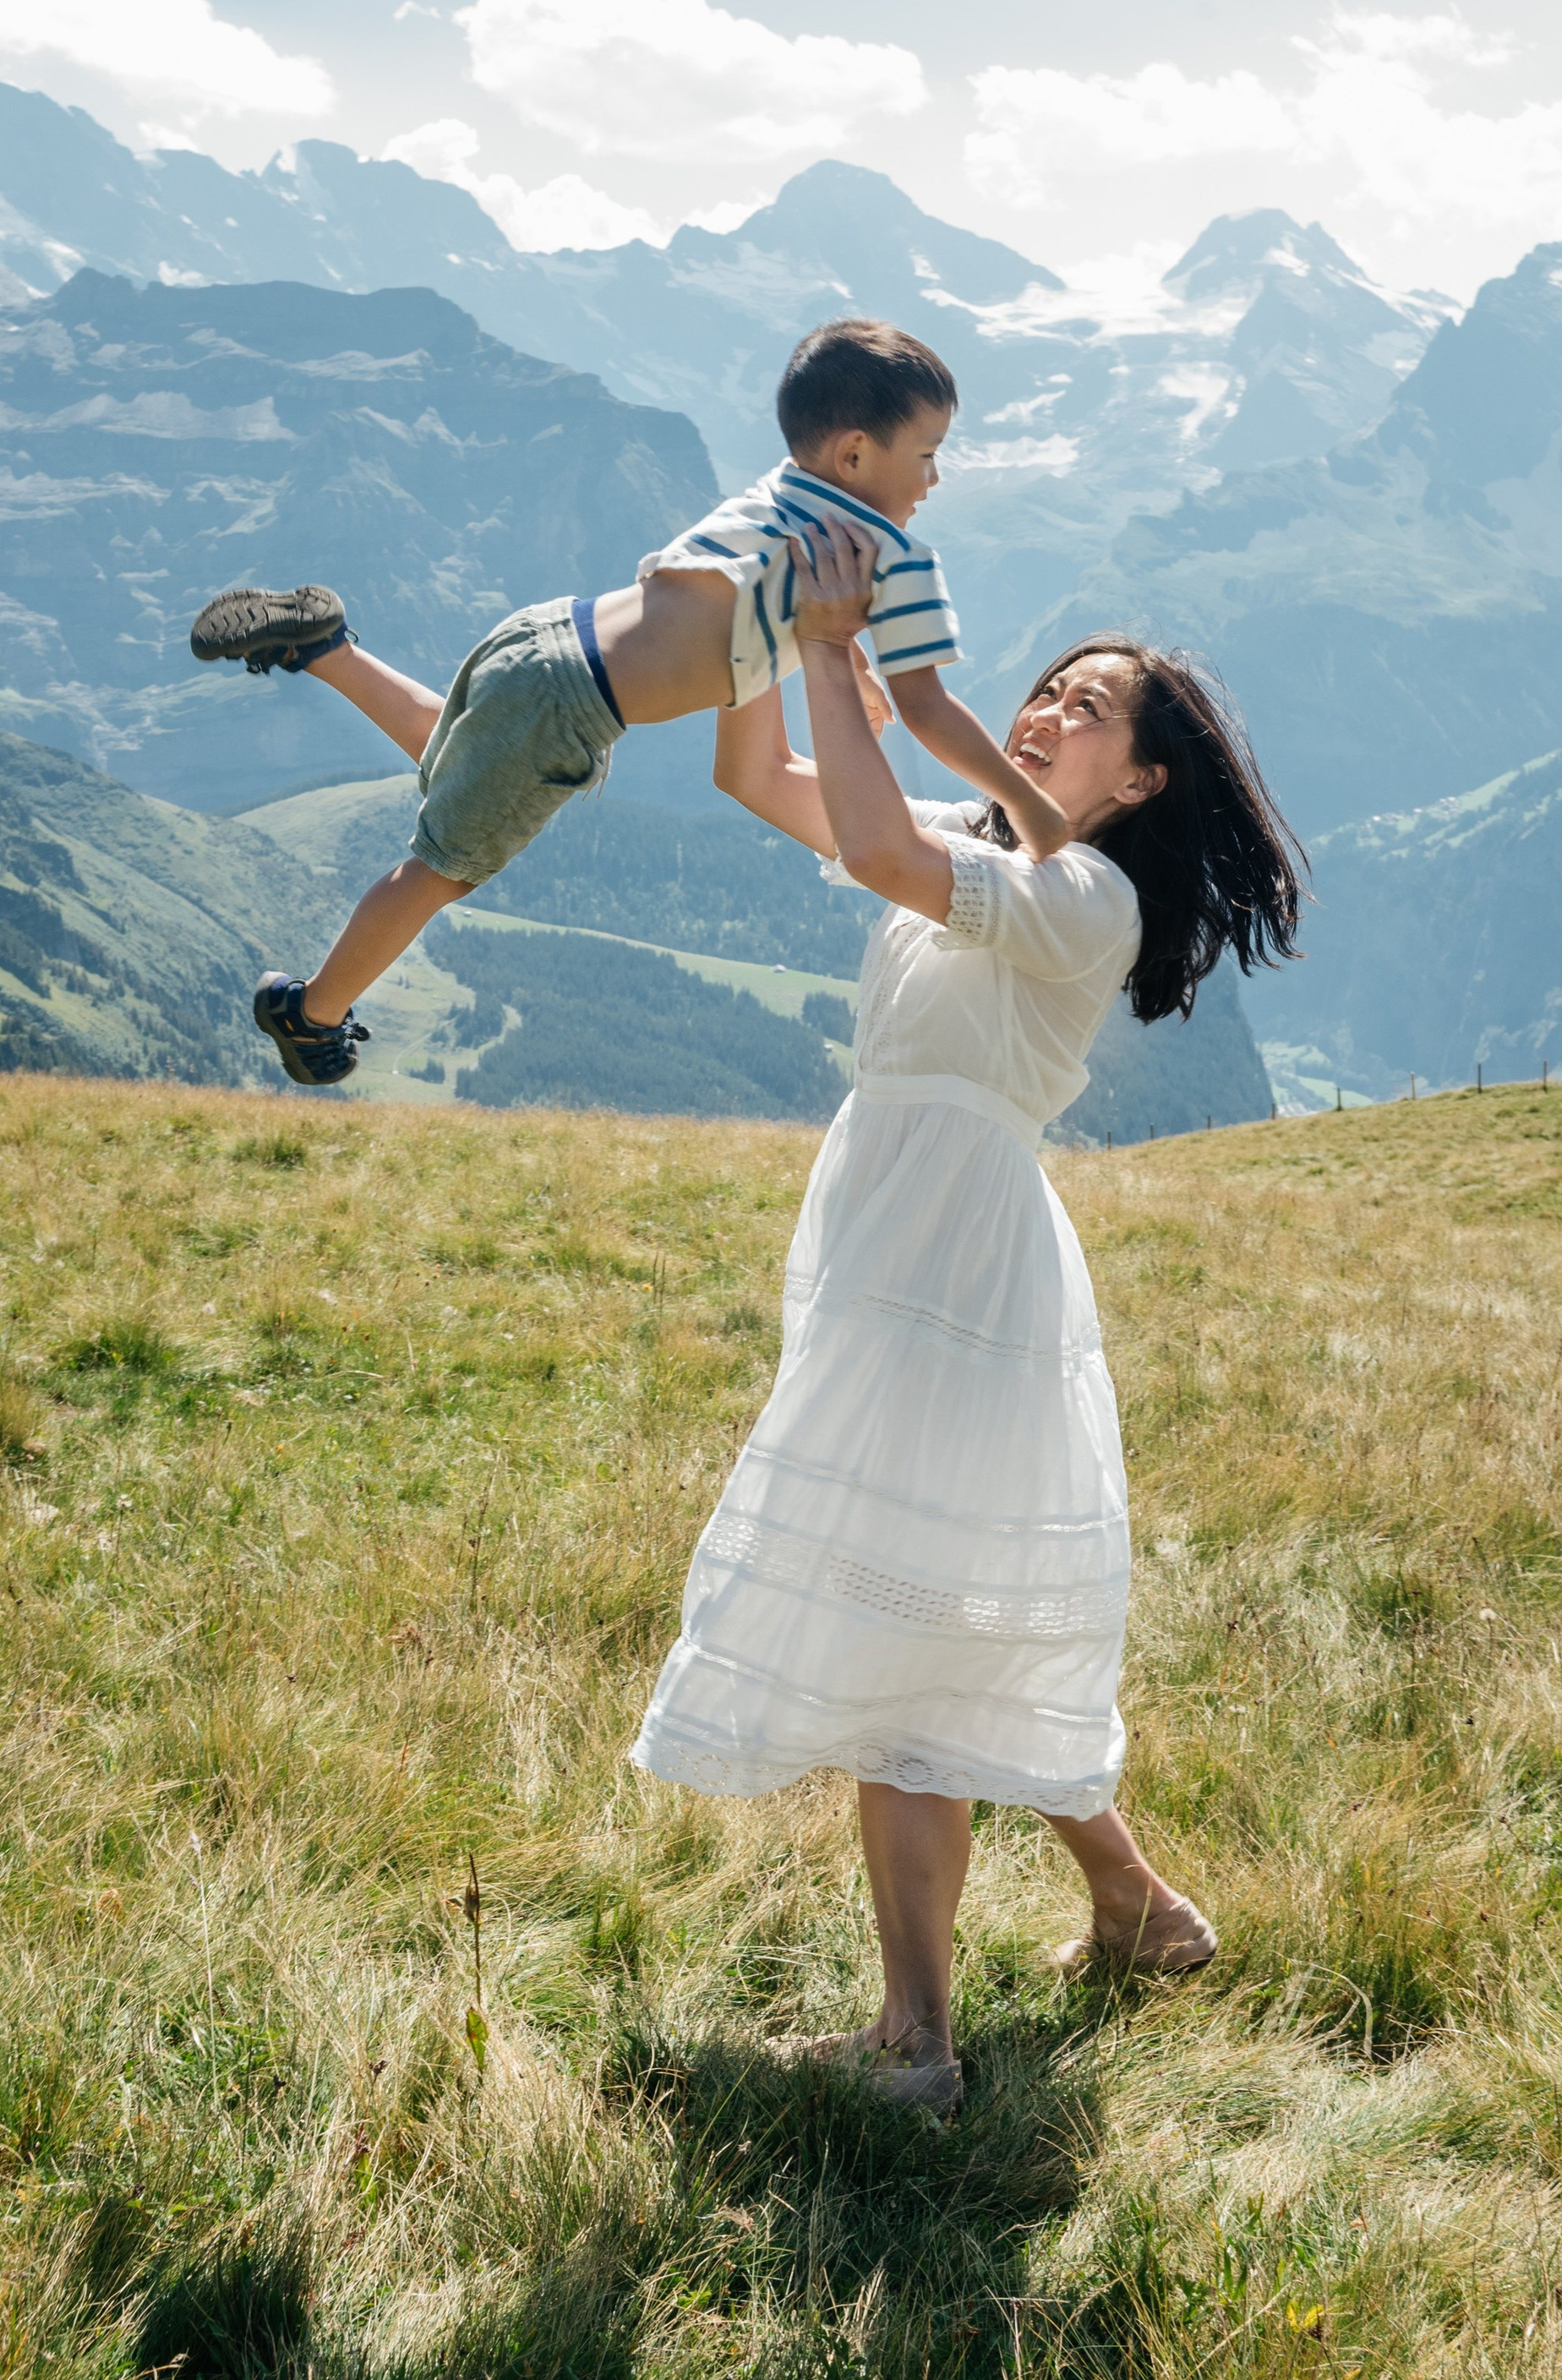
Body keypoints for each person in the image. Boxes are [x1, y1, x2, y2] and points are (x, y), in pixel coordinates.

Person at [631, 511, 1305, 2115]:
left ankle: (916, 2047)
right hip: (894, 1231)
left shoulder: (1087, 901)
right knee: (943, 1617)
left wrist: (815, 649)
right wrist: (754, 637)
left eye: (1092, 706)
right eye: (1052, 684)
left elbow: (867, 848)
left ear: (1143, 780)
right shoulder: (993, 843)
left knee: (903, 1635)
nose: (1050, 706)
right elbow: (764, 783)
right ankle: (1142, 1912)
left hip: (958, 1263)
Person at [187, 319, 1067, 1085]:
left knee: (467, 763)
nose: (935, 480)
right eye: (927, 455)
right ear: (855, 453)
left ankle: (325, 647)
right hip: (572, 701)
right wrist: (1027, 805)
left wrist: (847, 663)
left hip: (547, 632)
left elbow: (747, 588)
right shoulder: (893, 554)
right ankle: (310, 1012)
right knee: (441, 867)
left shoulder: (784, 488)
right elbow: (929, 709)